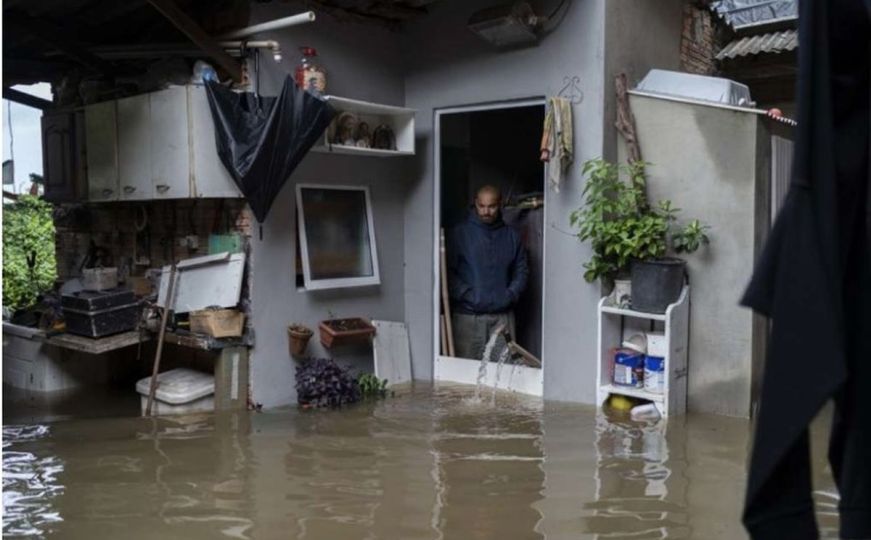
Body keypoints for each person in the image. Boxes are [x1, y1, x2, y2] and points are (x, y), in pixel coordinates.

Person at [447, 185, 529, 360]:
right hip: (468, 318)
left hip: (503, 317)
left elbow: (521, 270)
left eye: (491, 206)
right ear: (475, 204)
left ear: (499, 205)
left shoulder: (511, 236)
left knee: (504, 374)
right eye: (482, 206)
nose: (486, 211)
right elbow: (447, 273)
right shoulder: (460, 234)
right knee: (466, 376)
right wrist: (468, 295)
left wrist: (510, 294)